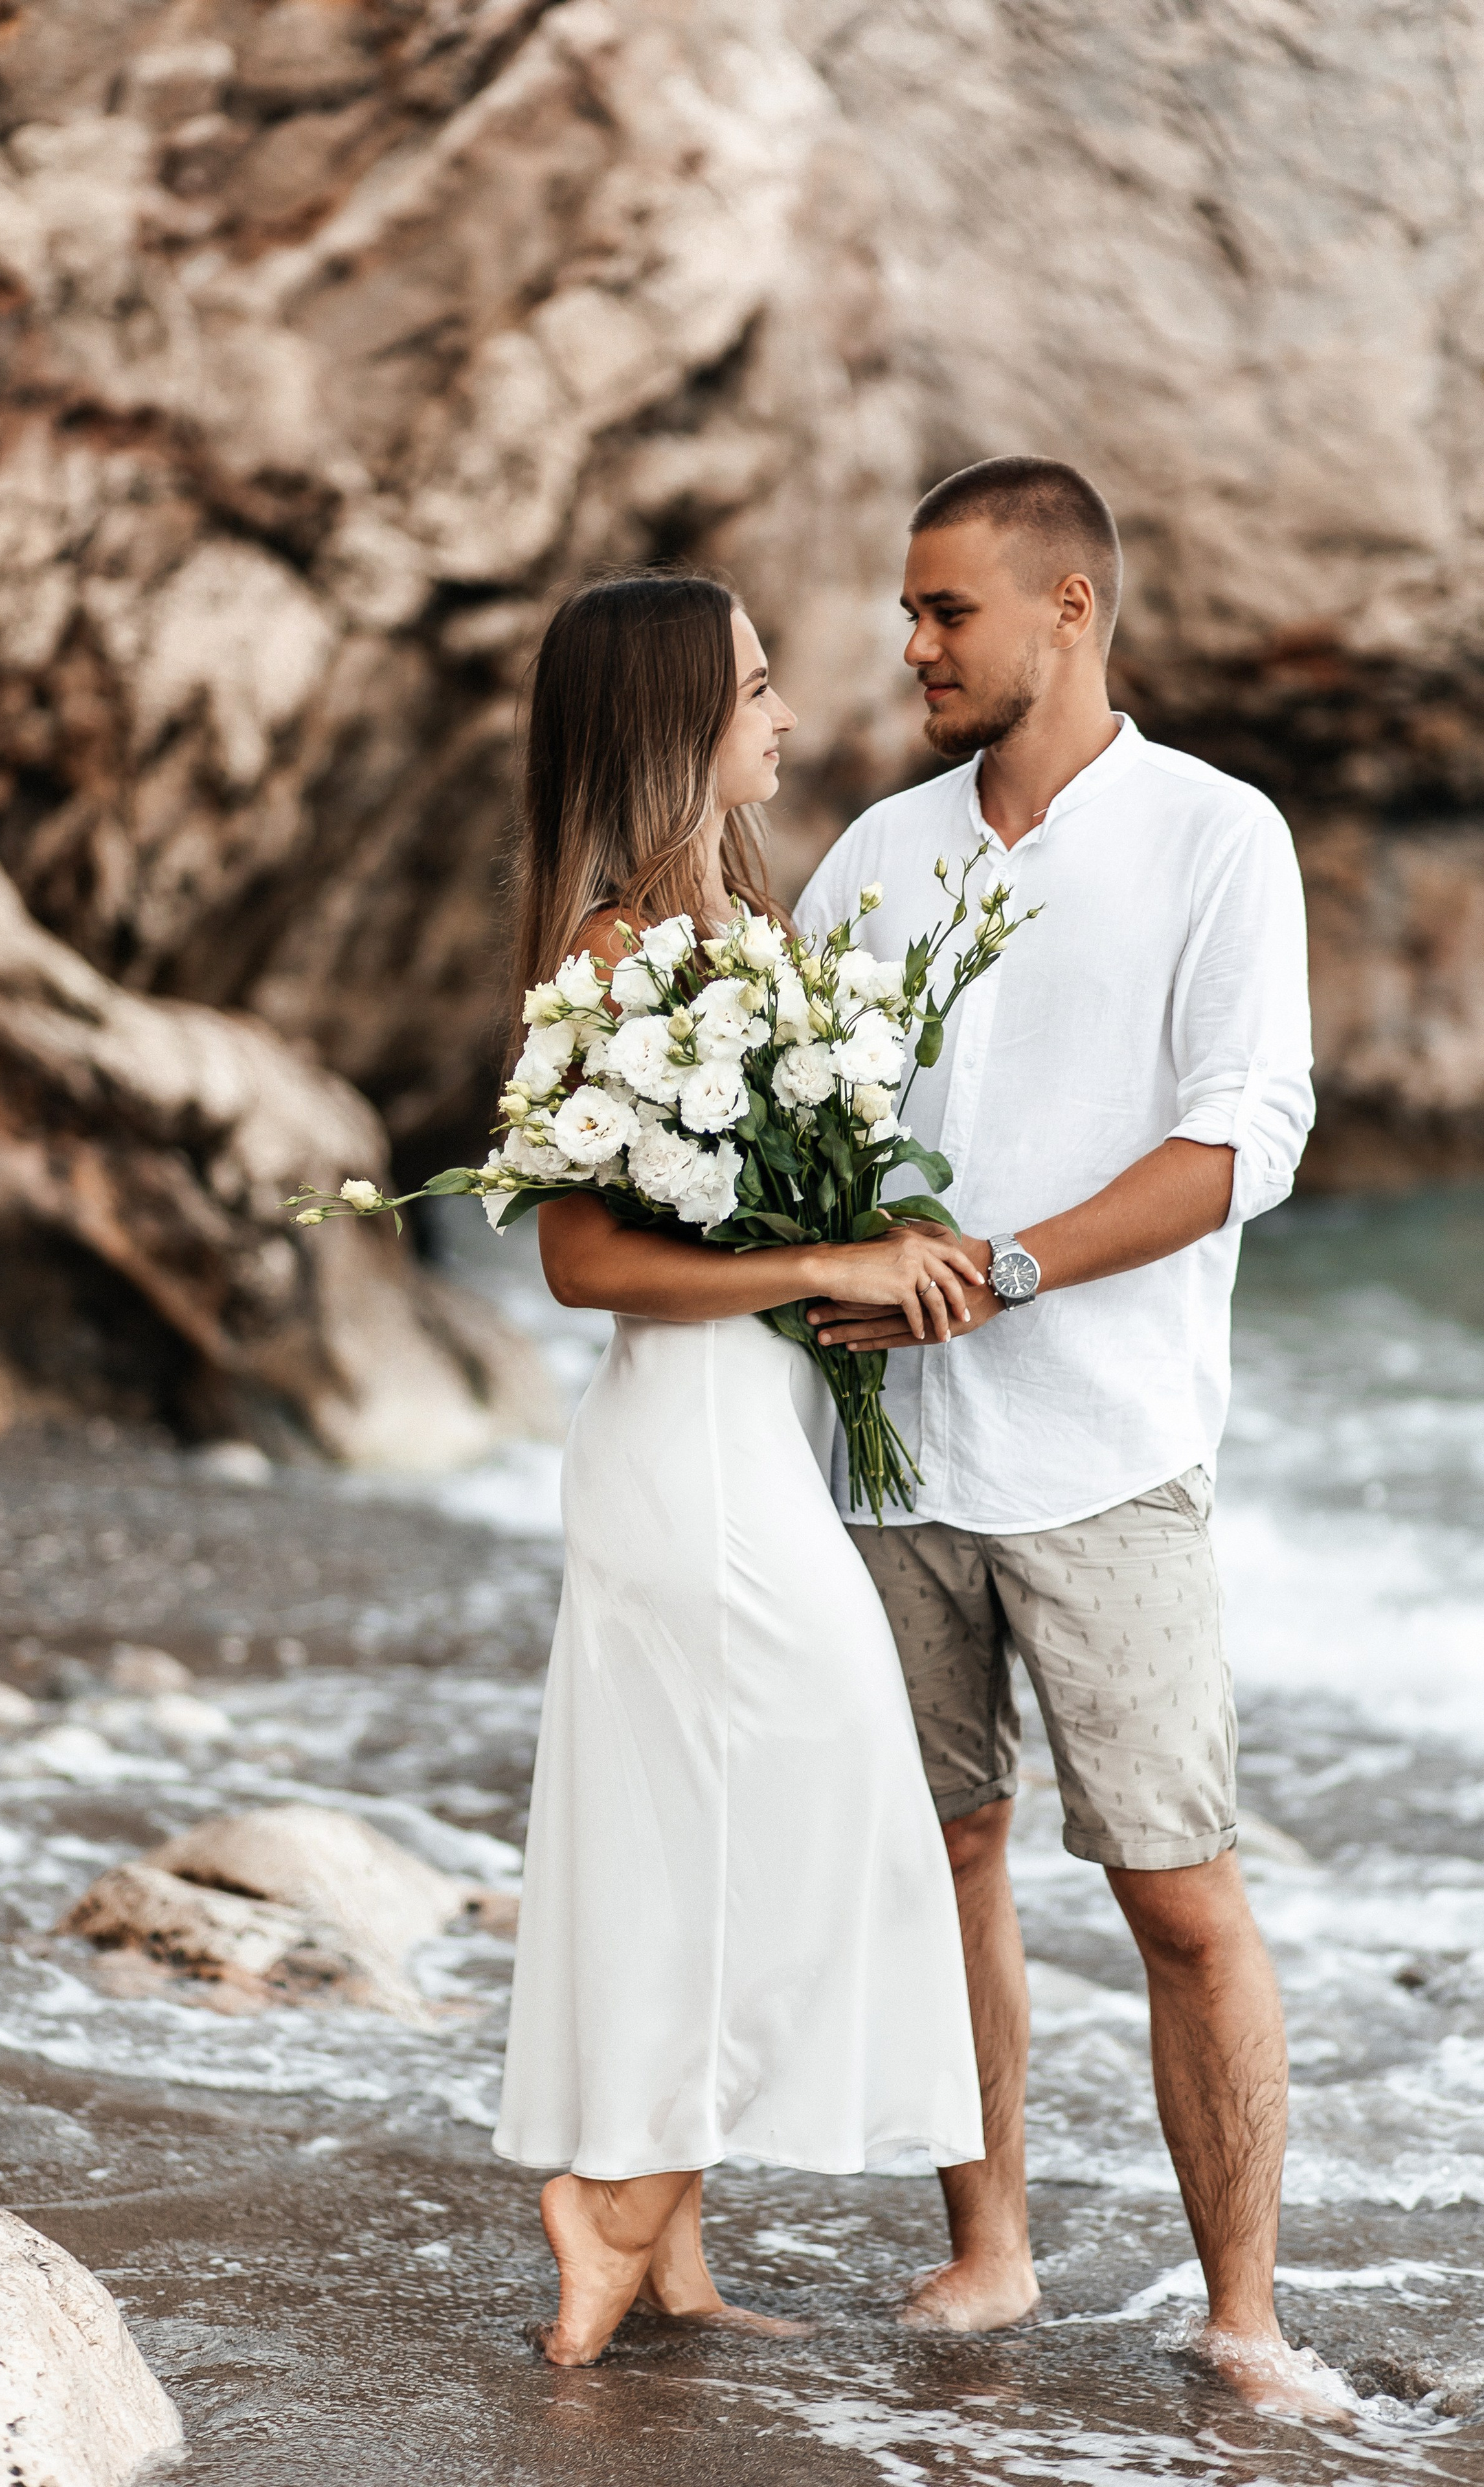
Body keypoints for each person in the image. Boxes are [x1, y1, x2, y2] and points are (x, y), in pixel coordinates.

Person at [794, 457, 1325, 2411]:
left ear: (1070, 606)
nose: (915, 644)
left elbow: (1243, 1142)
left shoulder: (1216, 836)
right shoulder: (873, 851)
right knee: (946, 1852)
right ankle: (988, 2249)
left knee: (1179, 1890)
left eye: (949, 612)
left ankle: (1245, 2310)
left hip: (1105, 1453)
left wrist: (1004, 1266)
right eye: (912, 614)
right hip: (888, 1456)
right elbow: (804, 1127)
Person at [491, 573, 985, 2367]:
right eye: (758, 688)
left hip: (748, 1434)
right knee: (830, 1778)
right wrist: (824, 1266)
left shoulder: (741, 945)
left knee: (685, 1828)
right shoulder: (612, 954)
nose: (786, 716)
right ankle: (612, 2196)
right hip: (682, 1447)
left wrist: (882, 1252)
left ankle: (671, 2238)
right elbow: (579, 1264)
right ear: (676, 721)